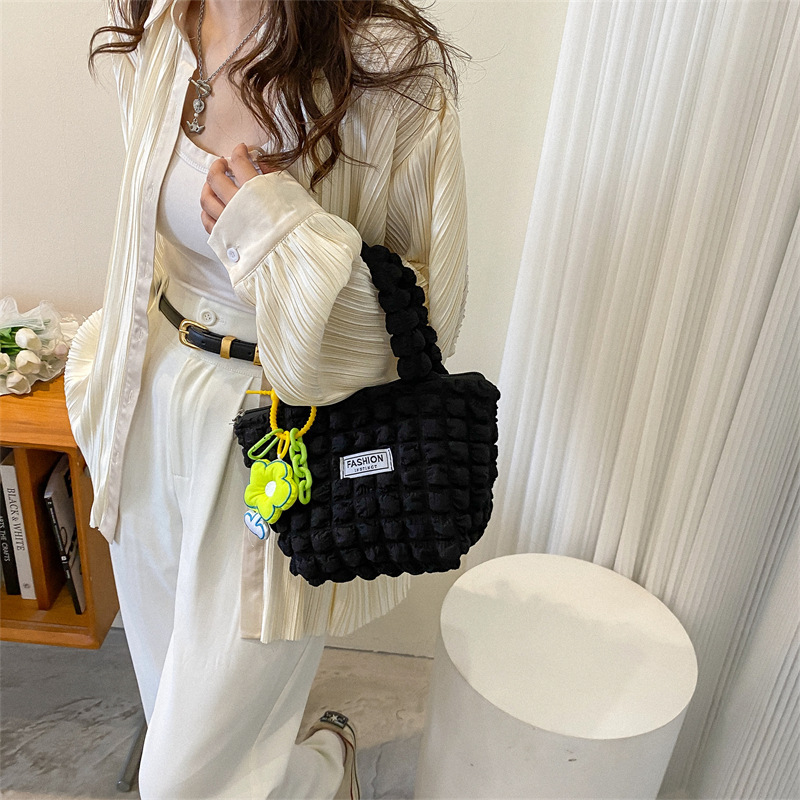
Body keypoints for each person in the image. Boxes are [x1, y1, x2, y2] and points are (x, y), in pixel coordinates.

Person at [64, 0, 468, 796]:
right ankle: (317, 769)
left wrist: (277, 232)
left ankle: (323, 766)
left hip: (283, 438)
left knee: (184, 782)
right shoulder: (164, 29)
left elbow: (429, 317)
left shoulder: (387, 65)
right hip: (153, 401)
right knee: (178, 706)